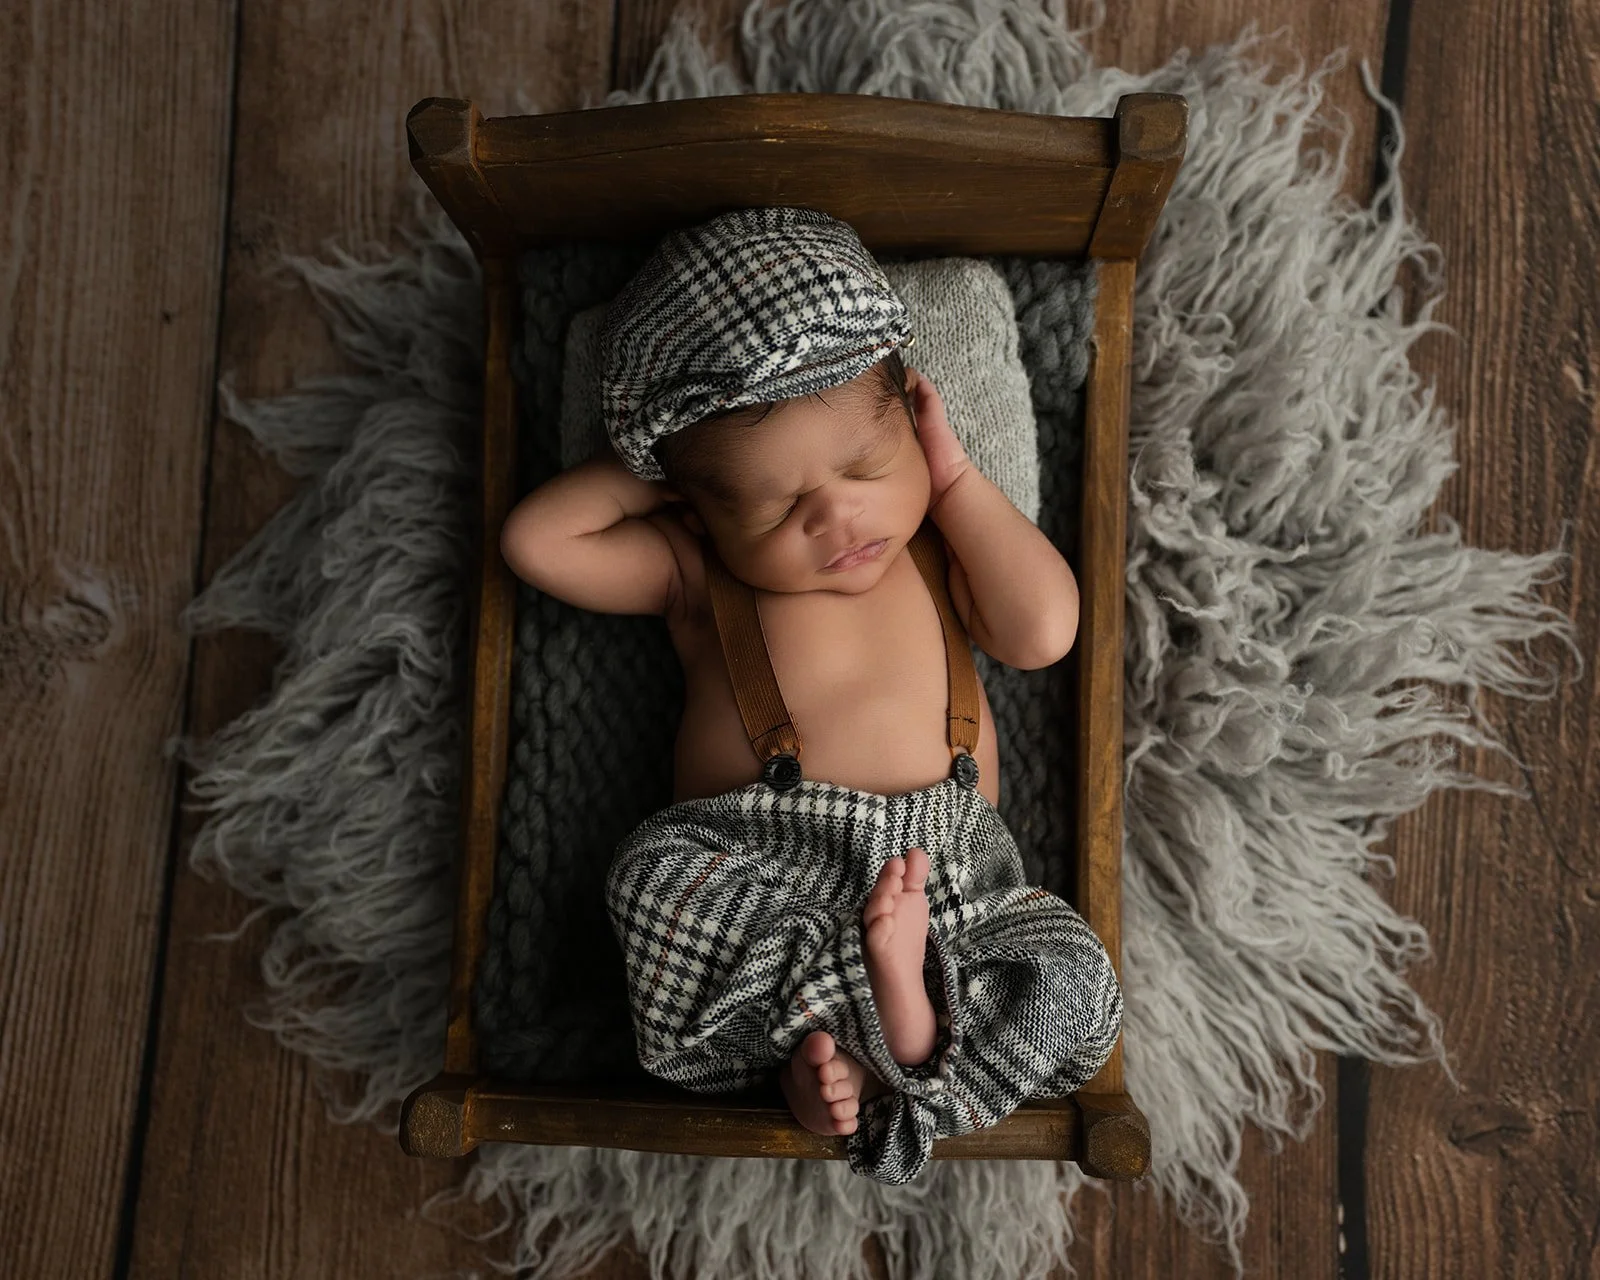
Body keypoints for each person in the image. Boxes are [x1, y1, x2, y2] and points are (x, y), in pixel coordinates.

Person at [499, 205, 1122, 1184]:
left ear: (915, 424)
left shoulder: (940, 547)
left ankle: (889, 1033)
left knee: (1068, 970)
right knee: (654, 887)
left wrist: (956, 480)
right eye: (776, 503)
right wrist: (669, 468)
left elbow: (1043, 630)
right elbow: (536, 543)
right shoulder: (698, 570)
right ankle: (863, 1036)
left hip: (943, 870)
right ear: (701, 509)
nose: (836, 515)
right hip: (762, 859)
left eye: (867, 466)